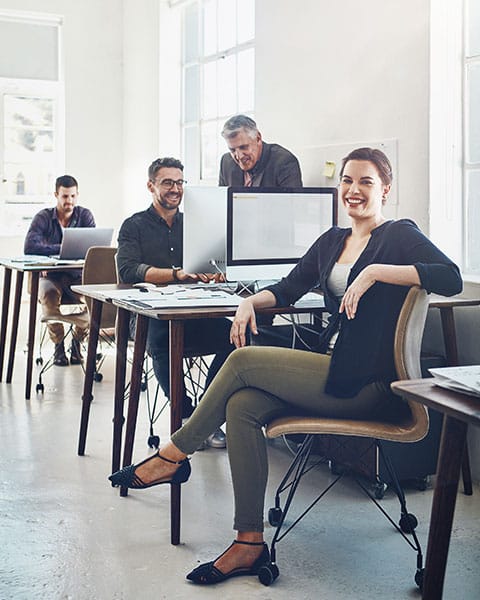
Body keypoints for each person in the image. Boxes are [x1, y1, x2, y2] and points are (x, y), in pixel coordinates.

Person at [109, 147, 463, 585]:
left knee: (241, 360)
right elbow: (287, 288)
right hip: (332, 366)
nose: (353, 190)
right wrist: (247, 304)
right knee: (242, 406)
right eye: (348, 181)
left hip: (369, 382)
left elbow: (450, 277)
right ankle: (248, 543)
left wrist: (374, 273)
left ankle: (174, 455)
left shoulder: (399, 235)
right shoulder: (333, 241)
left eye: (366, 182)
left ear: (385, 190)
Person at [116, 157, 234, 449]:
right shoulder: (134, 225)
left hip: (193, 311)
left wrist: (215, 273)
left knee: (237, 336)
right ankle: (185, 414)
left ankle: (205, 416)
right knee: (164, 336)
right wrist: (175, 275)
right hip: (149, 318)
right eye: (168, 182)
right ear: (151, 185)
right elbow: (128, 270)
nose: (176, 189)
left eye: (180, 182)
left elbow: (214, 263)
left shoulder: (194, 222)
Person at [24, 175, 94, 366]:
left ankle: (77, 343)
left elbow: (92, 248)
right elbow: (30, 246)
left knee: (93, 299)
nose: (69, 201)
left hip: (76, 276)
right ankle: (59, 345)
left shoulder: (85, 216)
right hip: (51, 276)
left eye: (72, 196)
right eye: (64, 196)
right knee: (48, 295)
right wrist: (64, 248)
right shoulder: (43, 217)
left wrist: (50, 248)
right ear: (56, 195)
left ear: (77, 195)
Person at [219, 114, 302, 188]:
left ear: (258, 138)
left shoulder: (284, 162)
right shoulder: (226, 163)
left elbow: (293, 204)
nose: (239, 156)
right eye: (232, 150)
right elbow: (221, 202)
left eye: (243, 147)